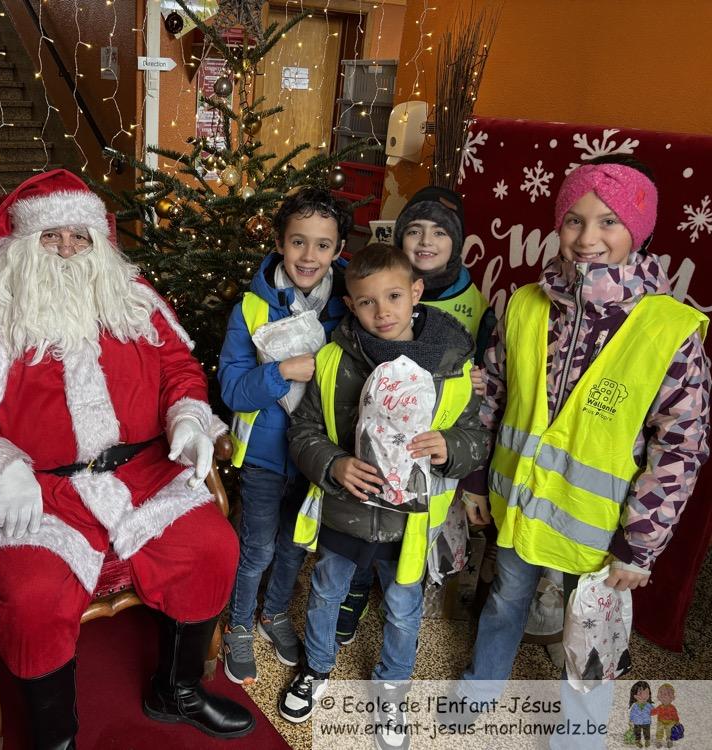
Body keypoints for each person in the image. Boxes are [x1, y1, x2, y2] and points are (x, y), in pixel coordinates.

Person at [0, 169, 253, 745]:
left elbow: (178, 368)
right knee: (32, 596)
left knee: (213, 546)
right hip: (40, 493)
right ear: (21, 243)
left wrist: (187, 417)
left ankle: (175, 690)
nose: (66, 250)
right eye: (50, 236)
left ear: (98, 242)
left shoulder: (131, 298)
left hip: (143, 475)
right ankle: (55, 736)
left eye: (79, 237)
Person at [459, 156, 709, 748]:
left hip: (602, 529)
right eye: (574, 220)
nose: (587, 237)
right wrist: (473, 480)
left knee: (591, 638)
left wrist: (640, 544)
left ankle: (579, 735)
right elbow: (491, 395)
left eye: (608, 221)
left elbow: (681, 446)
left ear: (638, 230)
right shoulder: (525, 304)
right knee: (505, 599)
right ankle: (478, 690)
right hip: (519, 504)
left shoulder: (668, 329)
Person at [281, 243, 488, 733]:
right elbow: (304, 430)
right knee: (326, 590)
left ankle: (392, 691)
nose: (382, 312)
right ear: (350, 304)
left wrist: (451, 445)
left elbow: (476, 438)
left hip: (411, 520)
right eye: (367, 302)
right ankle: (316, 668)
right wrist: (334, 464)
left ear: (416, 292)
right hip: (345, 508)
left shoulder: (452, 366)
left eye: (394, 296)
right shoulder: (335, 360)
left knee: (402, 607)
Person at [335, 185, 496, 647]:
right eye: (415, 231)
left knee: (410, 542)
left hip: (433, 452)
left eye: (439, 233)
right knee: (367, 530)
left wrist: (475, 380)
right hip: (370, 452)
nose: (426, 242)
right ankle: (357, 591)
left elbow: (485, 383)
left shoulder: (474, 304)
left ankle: (402, 604)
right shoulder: (369, 288)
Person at [217, 187, 351, 685]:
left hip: (316, 457)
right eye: (298, 242)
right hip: (266, 456)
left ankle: (273, 614)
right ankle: (237, 625)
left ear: (338, 250)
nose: (309, 256)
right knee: (257, 548)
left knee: (295, 545)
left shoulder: (348, 307)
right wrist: (282, 372)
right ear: (279, 242)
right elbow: (232, 388)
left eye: (322, 245)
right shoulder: (252, 308)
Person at [628, 681, 653, 748]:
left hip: (646, 721)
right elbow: (632, 713)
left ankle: (647, 740)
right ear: (634, 695)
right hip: (637, 722)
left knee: (647, 732)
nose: (643, 696)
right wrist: (631, 720)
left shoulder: (649, 705)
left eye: (646, 693)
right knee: (637, 732)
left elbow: (653, 711)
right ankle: (637, 741)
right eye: (640, 693)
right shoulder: (634, 705)